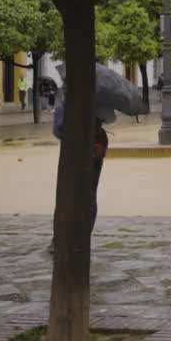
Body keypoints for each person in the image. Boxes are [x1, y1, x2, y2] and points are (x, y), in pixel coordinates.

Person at [48, 99, 110, 255]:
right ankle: (80, 237)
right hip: (95, 143)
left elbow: (59, 129)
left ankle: (61, 240)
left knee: (70, 194)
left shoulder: (69, 100)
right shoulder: (102, 99)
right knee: (88, 193)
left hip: (81, 145)